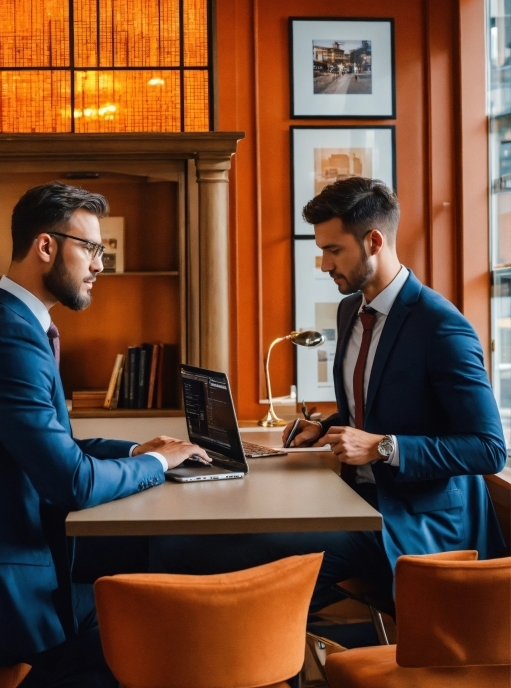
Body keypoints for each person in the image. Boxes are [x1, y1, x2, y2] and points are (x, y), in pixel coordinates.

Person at [0, 182, 209, 688]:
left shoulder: (10, 323)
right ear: (46, 247)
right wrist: (160, 467)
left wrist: (139, 451)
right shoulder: (8, 336)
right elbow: (72, 481)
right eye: (93, 249)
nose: (101, 265)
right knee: (159, 615)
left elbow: (58, 447)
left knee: (147, 576)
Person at [150, 177, 506, 610]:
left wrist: (383, 447)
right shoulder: (350, 309)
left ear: (374, 241)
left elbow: (488, 449)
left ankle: (255, 660)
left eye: (333, 250)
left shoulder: (441, 326)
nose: (323, 264)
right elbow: (378, 405)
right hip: (354, 500)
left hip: (412, 523)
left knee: (216, 558)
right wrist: (324, 426)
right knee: (218, 542)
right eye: (322, 250)